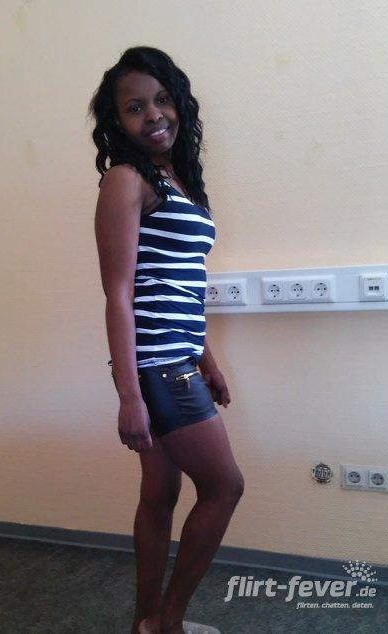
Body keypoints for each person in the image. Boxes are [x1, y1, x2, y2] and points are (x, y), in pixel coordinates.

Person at [88, 46, 244, 634]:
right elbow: (120, 294)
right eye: (135, 107)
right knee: (224, 487)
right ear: (117, 121)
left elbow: (179, 285)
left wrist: (208, 358)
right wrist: (129, 395)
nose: (153, 114)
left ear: (179, 103)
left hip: (175, 360)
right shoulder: (125, 179)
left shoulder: (178, 181)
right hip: (156, 368)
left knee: (159, 493)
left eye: (161, 99)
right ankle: (168, 624)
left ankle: (145, 622)